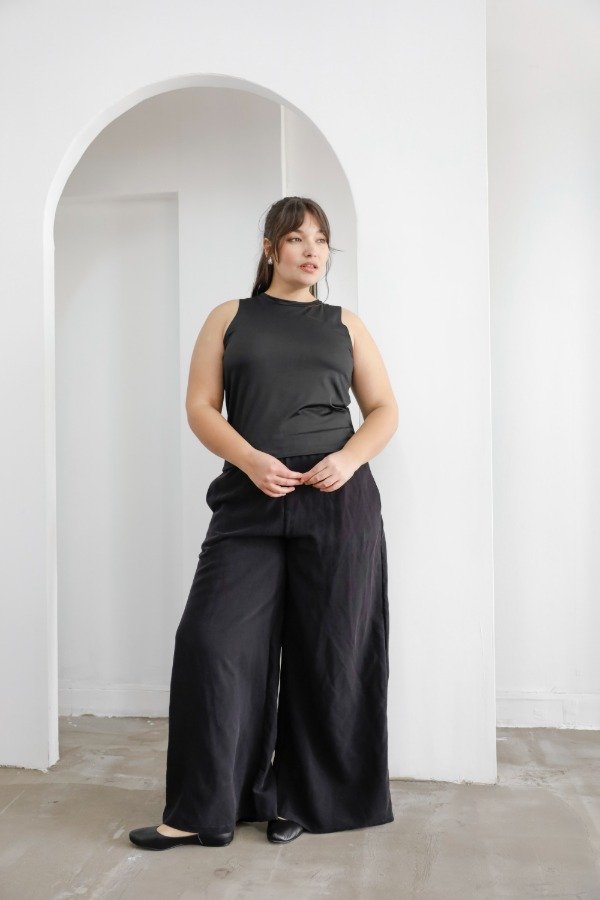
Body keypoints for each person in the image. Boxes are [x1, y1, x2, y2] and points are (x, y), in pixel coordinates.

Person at [129, 196, 399, 850]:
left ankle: (301, 801)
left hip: (337, 499)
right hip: (250, 496)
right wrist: (250, 459)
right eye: (297, 238)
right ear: (271, 248)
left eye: (321, 240)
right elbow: (201, 406)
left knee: (327, 653)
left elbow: (384, 408)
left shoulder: (345, 324)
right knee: (212, 643)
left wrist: (348, 459)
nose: (312, 250)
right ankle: (203, 810)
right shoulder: (230, 317)